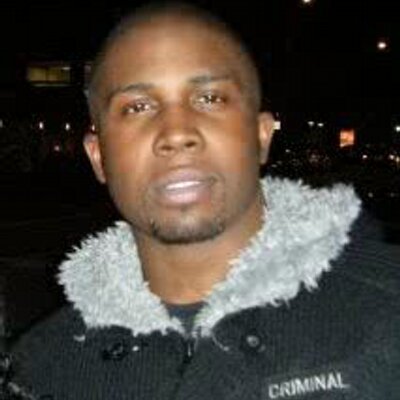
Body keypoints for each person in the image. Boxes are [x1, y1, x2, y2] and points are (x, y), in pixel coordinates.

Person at [10, 3, 399, 399]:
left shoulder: (387, 313)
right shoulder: (38, 373)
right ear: (98, 157)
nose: (176, 133)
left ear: (262, 136)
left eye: (210, 98)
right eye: (137, 107)